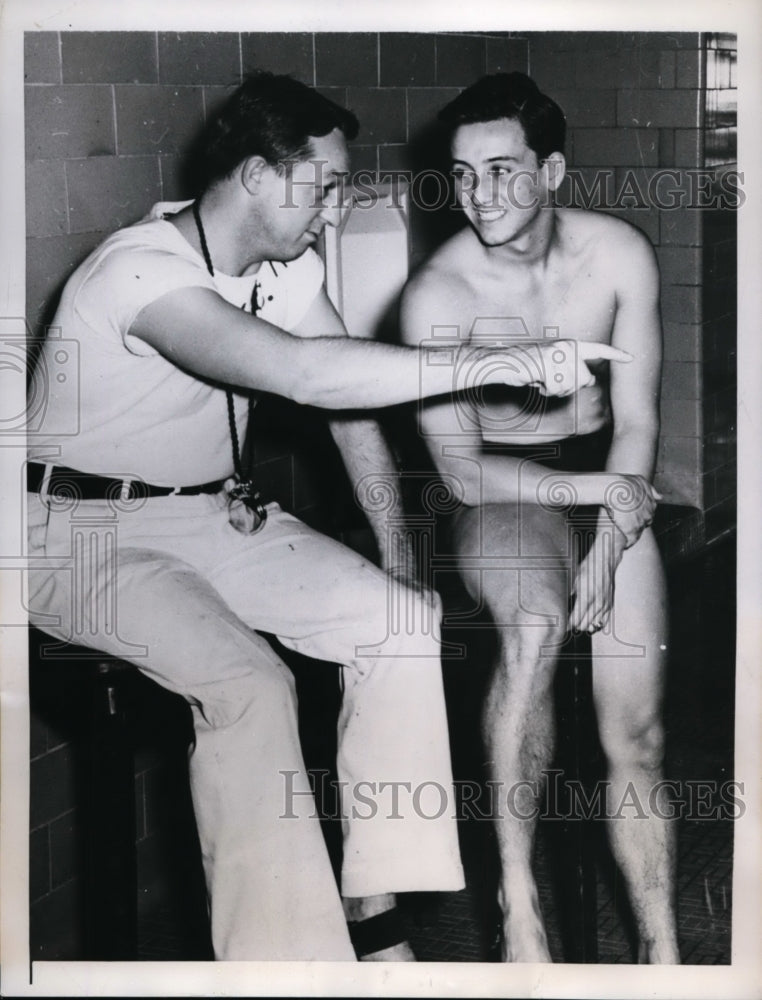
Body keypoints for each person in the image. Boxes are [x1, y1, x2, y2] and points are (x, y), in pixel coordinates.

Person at [26, 71, 629, 962]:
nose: (337, 211)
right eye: (327, 185)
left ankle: (377, 923)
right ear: (259, 176)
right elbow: (309, 377)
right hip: (73, 535)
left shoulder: (284, 265)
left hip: (205, 518)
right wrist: (507, 363)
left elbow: (347, 409)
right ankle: (289, 967)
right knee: (252, 687)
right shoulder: (139, 272)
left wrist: (395, 553)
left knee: (402, 622)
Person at [400, 72, 679, 963]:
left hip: (607, 477)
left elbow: (635, 422)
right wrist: (601, 506)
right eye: (463, 174)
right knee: (535, 623)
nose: (479, 195)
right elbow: (462, 471)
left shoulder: (620, 256)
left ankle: (664, 951)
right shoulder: (437, 297)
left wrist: (614, 533)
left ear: (552, 170)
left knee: (635, 732)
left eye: (502, 170)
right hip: (501, 491)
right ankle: (517, 900)